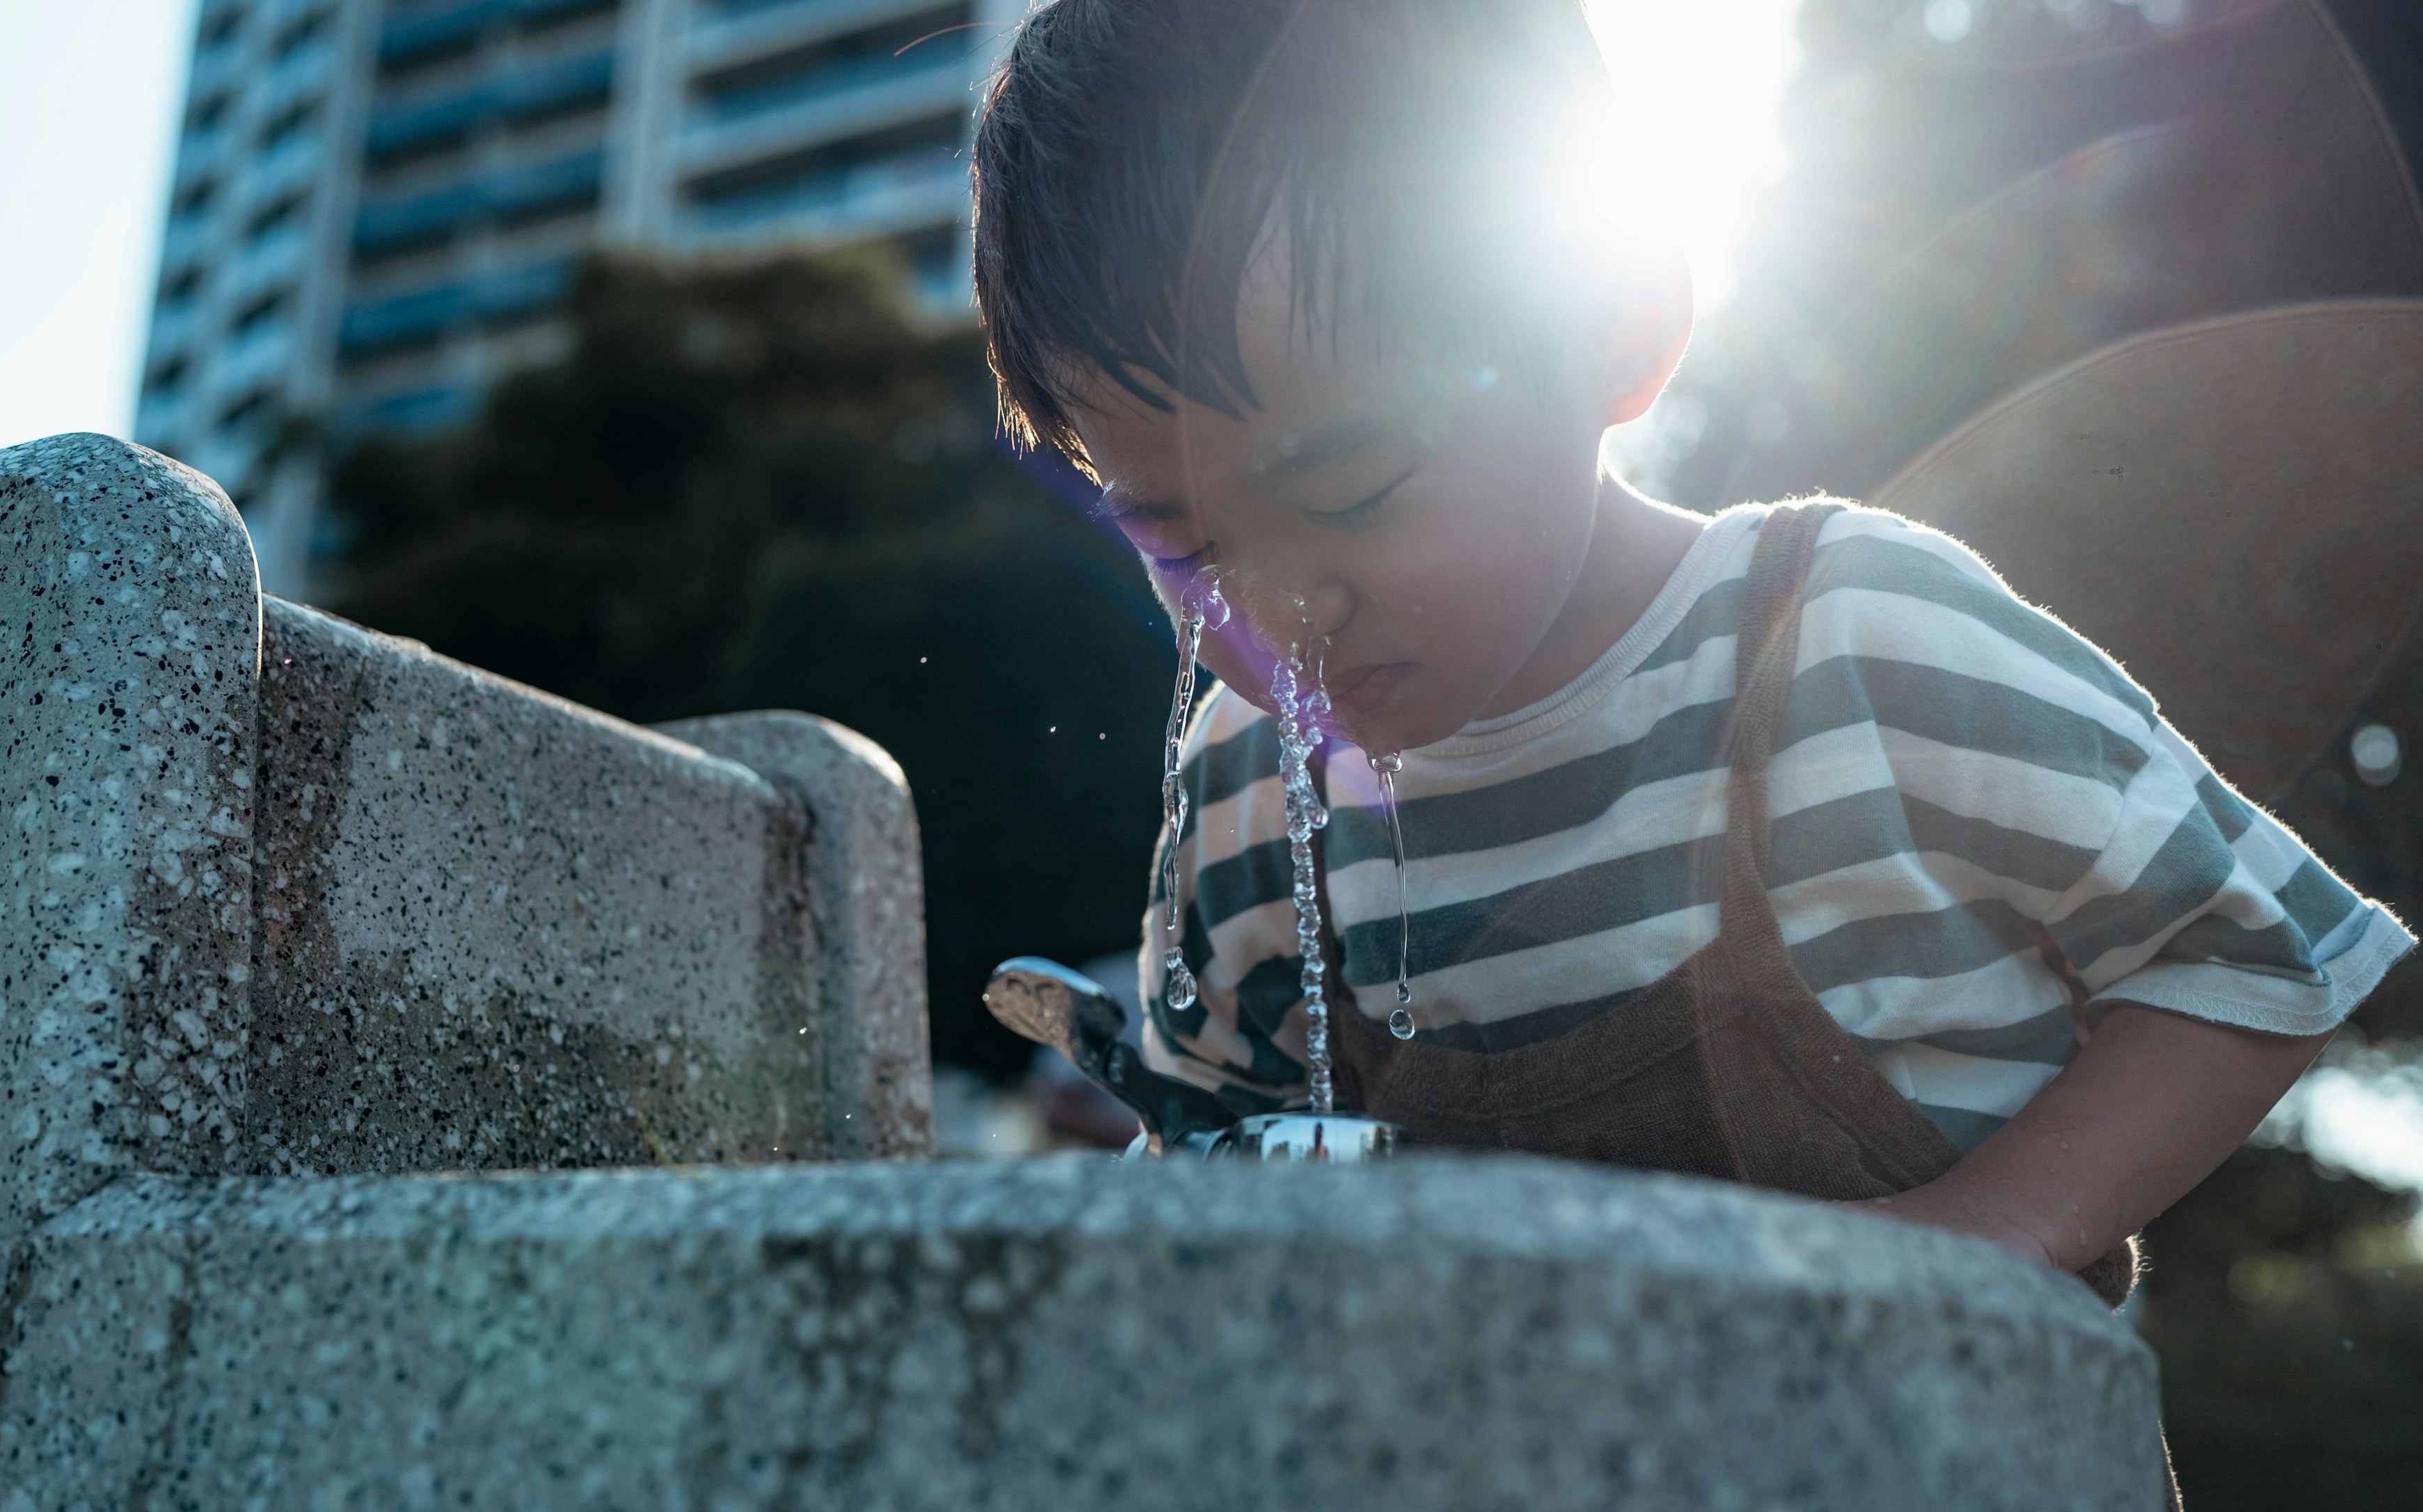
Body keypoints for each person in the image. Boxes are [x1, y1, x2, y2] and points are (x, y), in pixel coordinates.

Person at [969, 0, 2411, 1306]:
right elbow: (1219, 1145)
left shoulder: (1846, 644)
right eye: (1181, 541)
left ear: (1617, 328)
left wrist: (1985, 1235)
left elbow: (2243, 959)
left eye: (1349, 491)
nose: (1279, 609)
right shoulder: (1243, 776)